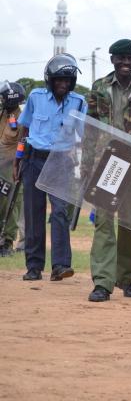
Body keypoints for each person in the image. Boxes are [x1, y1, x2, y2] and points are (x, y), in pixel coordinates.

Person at [86, 40, 131, 302]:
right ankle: (102, 283)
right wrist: (86, 167)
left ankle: (126, 278)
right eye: (121, 59)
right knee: (104, 223)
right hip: (107, 165)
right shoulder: (99, 88)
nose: (126, 63)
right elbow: (90, 129)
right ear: (113, 60)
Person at [15, 55, 87, 281]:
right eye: (59, 80)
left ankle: (61, 266)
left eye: (67, 81)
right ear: (50, 80)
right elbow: (23, 131)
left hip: (61, 161)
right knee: (33, 212)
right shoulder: (36, 97)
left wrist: (82, 162)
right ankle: (34, 267)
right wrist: (18, 160)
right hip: (34, 159)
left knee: (59, 212)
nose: (63, 85)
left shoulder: (79, 102)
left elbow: (82, 135)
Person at [0, 81, 25, 257]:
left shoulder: (22, 119)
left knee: (11, 205)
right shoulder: (1, 114)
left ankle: (7, 243)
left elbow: (23, 144)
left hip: (12, 168)